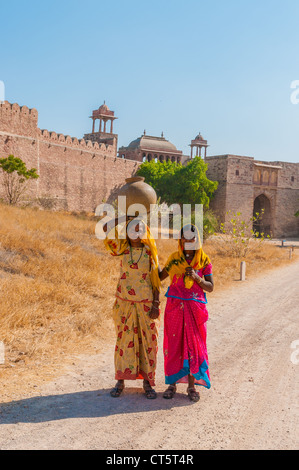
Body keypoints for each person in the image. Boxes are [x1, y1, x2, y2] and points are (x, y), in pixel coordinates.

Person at [103, 215, 161, 399]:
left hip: (146, 303)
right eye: (132, 228)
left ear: (145, 232)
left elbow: (156, 279)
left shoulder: (150, 251)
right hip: (124, 303)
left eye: (139, 229)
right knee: (123, 341)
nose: (136, 232)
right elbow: (105, 228)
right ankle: (120, 381)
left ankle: (147, 383)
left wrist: (156, 303)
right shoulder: (123, 248)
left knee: (148, 343)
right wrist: (124, 218)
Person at [159, 224, 214, 402]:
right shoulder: (175, 259)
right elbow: (160, 276)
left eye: (192, 238)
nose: (188, 241)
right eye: (185, 238)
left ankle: (191, 386)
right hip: (175, 307)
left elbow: (210, 287)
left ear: (196, 239)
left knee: (194, 347)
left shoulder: (204, 260)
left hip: (195, 309)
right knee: (174, 345)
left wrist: (196, 278)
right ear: (180, 239)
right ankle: (172, 385)